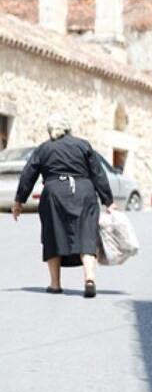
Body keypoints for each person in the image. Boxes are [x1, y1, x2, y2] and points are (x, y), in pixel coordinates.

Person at [12, 114, 115, 298]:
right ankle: (89, 279)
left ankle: (55, 284)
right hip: (84, 192)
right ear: (69, 129)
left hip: (54, 193)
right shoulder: (83, 145)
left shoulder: (43, 149)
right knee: (87, 235)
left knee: (53, 235)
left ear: (50, 130)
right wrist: (108, 200)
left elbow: (28, 175)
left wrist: (19, 201)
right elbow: (98, 173)